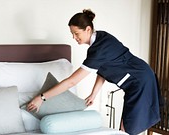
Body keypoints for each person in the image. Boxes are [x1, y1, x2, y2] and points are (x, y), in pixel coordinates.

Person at [27, 9, 160, 135]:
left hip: (139, 81)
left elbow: (71, 82)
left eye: (76, 33)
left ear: (88, 29)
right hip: (140, 76)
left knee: (127, 129)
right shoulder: (101, 37)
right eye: (72, 34)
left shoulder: (98, 50)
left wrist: (42, 98)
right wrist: (93, 94)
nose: (74, 37)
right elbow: (102, 69)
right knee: (125, 128)